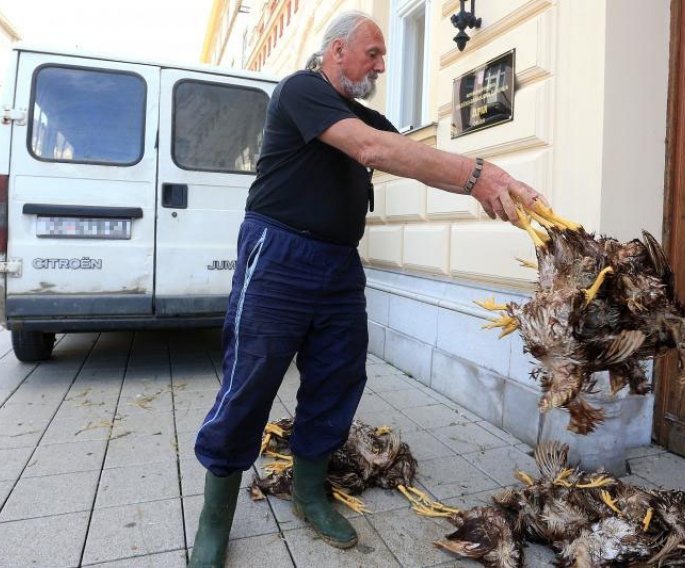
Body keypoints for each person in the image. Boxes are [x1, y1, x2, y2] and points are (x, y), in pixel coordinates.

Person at [188, 10, 546, 567]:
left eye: (384, 56)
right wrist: (481, 173)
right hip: (278, 253)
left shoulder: (366, 115)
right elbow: (376, 151)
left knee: (338, 377)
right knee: (250, 380)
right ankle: (214, 523)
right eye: (374, 53)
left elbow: (412, 160)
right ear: (335, 52)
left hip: (338, 264)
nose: (382, 65)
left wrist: (480, 190)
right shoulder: (300, 90)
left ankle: (309, 492)